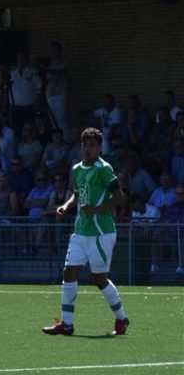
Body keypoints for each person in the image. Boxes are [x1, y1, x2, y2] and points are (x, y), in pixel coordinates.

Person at [43, 128, 129, 336]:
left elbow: (120, 197)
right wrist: (66, 205)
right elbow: (77, 193)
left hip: (101, 233)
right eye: (85, 145)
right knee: (68, 272)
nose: (87, 149)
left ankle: (121, 319)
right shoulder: (77, 169)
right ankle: (67, 324)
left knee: (99, 278)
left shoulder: (104, 169)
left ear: (99, 148)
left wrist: (96, 210)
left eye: (92, 145)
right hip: (81, 231)